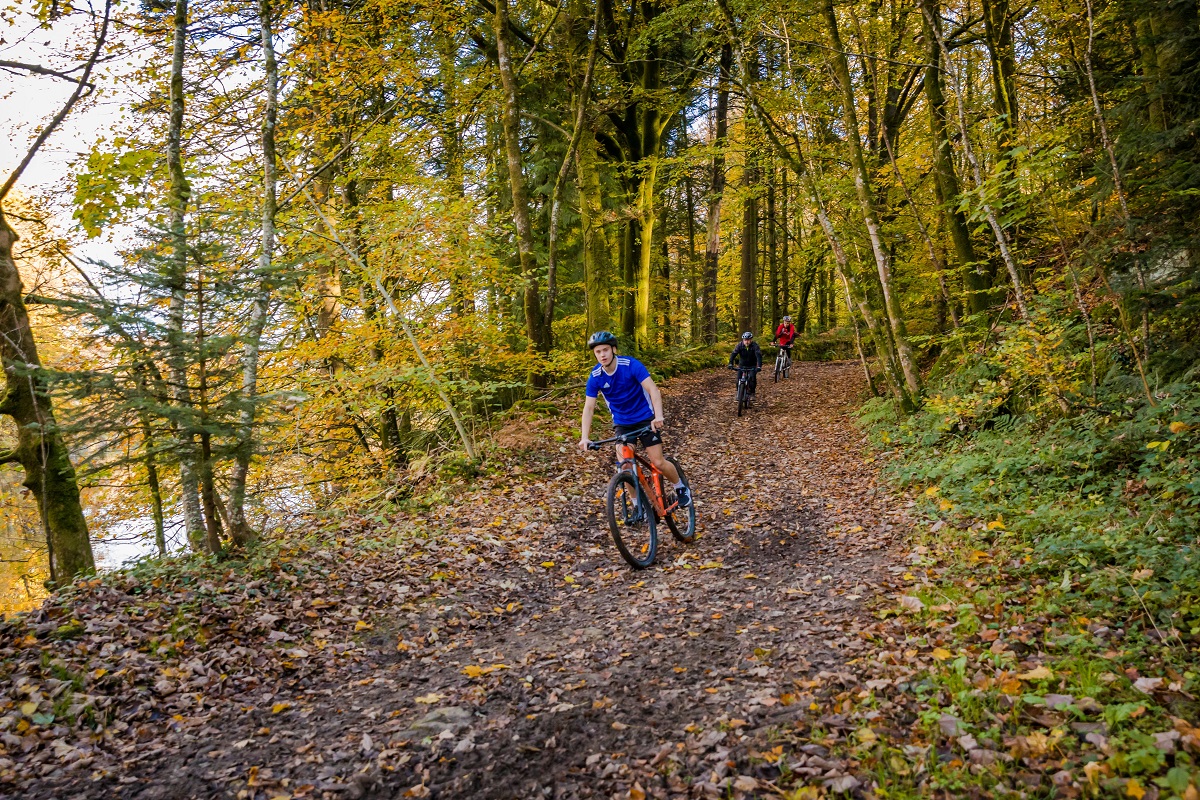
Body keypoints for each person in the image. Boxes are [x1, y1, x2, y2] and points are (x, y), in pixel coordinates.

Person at [578, 331, 691, 507]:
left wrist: (658, 415)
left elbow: (653, 390)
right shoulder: (595, 376)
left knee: (658, 462)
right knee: (625, 467)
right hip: (622, 423)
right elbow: (589, 407)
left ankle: (680, 487)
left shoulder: (630, 365)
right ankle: (638, 506)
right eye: (598, 351)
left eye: (605, 350)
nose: (602, 355)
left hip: (645, 418)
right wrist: (584, 437)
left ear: (613, 349)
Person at [729, 331, 762, 401]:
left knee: (752, 379)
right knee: (738, 380)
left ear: (751, 340)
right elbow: (733, 354)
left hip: (752, 365)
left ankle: (752, 393)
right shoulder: (739, 345)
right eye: (745, 340)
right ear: (743, 340)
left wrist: (759, 366)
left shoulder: (755, 346)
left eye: (748, 340)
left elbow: (758, 356)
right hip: (742, 365)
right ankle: (739, 393)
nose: (746, 342)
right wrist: (730, 363)